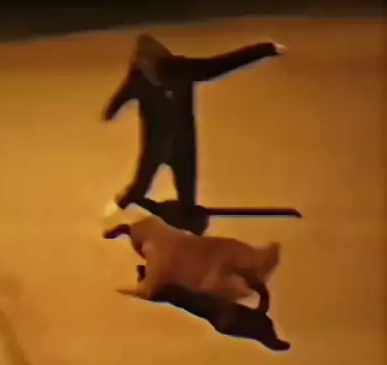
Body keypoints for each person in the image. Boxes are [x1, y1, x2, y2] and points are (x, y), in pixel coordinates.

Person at [102, 34, 286, 232]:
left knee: (187, 199)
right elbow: (124, 94)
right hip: (155, 144)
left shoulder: (182, 69)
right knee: (140, 185)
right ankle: (125, 201)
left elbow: (220, 65)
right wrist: (111, 110)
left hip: (183, 143)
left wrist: (265, 49)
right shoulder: (137, 76)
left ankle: (184, 216)